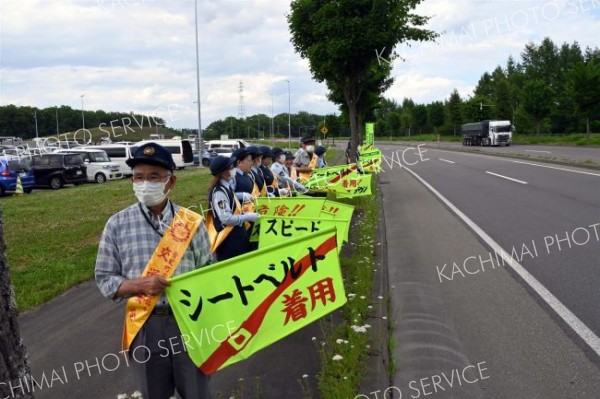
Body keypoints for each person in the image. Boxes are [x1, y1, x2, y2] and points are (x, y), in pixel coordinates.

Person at [95, 143, 212, 399]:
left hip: (190, 322)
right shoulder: (117, 224)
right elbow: (105, 279)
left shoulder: (190, 222)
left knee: (197, 391)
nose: (145, 183)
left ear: (171, 181)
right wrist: (140, 285)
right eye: (139, 177)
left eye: (154, 177)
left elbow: (209, 272)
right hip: (145, 325)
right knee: (153, 393)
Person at [207, 155, 259, 261]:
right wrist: (247, 217)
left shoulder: (227, 186)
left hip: (236, 237)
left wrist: (242, 196)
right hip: (228, 241)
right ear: (223, 172)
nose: (233, 169)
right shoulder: (219, 192)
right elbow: (226, 219)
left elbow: (232, 201)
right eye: (230, 167)